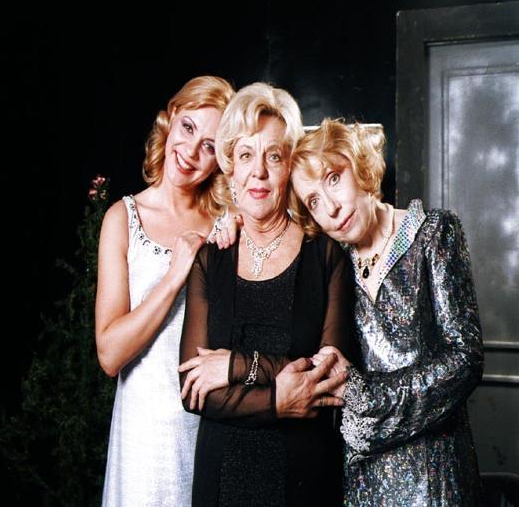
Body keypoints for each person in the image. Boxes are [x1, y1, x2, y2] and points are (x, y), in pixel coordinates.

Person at [289, 118, 484, 505]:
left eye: (333, 178)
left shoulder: (432, 233)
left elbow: (465, 358)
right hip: (364, 481)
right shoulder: (332, 263)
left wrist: (367, 398)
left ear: (358, 164)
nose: (331, 207)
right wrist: (228, 219)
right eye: (313, 201)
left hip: (435, 476)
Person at [178, 82, 354, 507]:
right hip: (222, 480)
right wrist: (277, 401)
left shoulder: (326, 256)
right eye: (245, 155)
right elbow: (193, 388)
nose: (258, 172)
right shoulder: (209, 260)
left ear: (289, 164)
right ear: (229, 167)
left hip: (305, 479)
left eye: (273, 156)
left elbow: (328, 377)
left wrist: (235, 365)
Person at [95, 75, 235, 506]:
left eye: (209, 145)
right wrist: (175, 275)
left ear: (222, 159)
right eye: (188, 127)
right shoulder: (123, 218)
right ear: (171, 117)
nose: (191, 152)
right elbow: (110, 354)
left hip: (210, 430)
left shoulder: (229, 224)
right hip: (143, 440)